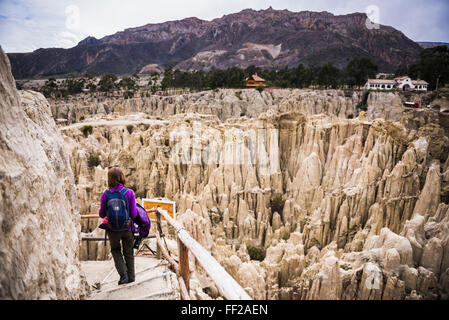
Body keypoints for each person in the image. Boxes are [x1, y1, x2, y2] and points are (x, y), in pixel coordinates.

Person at [99, 166, 137, 285]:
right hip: (127, 228)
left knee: (116, 250)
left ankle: (123, 275)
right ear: (122, 177)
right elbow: (134, 213)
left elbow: (101, 213)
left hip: (112, 229)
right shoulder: (129, 193)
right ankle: (131, 276)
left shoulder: (106, 194)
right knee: (128, 251)